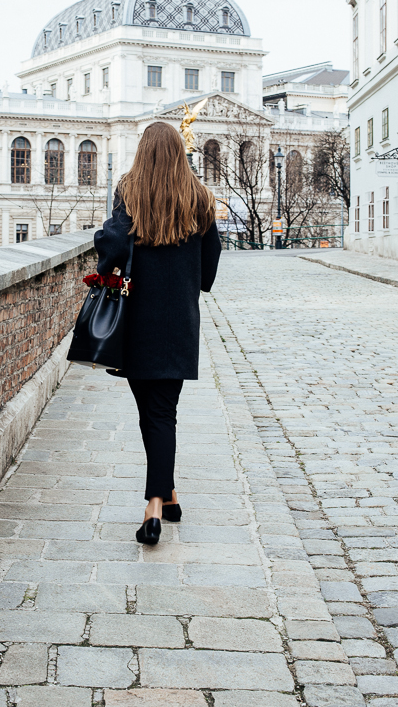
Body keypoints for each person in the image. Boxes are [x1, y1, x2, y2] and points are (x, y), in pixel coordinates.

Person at [94, 122, 222, 546]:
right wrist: (190, 280)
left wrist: (103, 252)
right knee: (162, 413)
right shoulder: (200, 197)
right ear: (179, 152)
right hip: (179, 321)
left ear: (143, 150)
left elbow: (112, 245)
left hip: (136, 321)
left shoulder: (129, 190)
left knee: (150, 411)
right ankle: (167, 495)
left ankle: (152, 507)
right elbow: (211, 263)